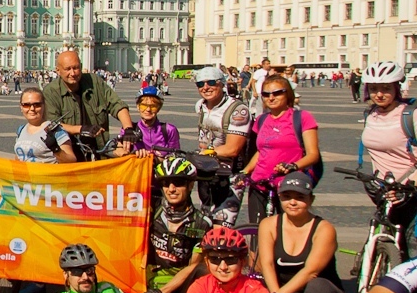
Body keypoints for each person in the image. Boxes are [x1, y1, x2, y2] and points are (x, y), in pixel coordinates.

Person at [358, 60, 417, 257]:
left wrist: (405, 186)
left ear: (397, 88)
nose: (379, 94)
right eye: (374, 89)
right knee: (378, 250)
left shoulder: (414, 115)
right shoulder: (371, 115)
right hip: (386, 193)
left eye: (386, 88)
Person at [255, 171, 345, 293]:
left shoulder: (324, 229)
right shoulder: (269, 225)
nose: (293, 202)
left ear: (311, 200)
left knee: (317, 287)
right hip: (285, 292)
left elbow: (311, 271)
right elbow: (267, 264)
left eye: (300, 197)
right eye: (287, 197)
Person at [143, 154, 212, 293]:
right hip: (145, 283)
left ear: (190, 186)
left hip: (176, 288)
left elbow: (193, 268)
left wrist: (162, 292)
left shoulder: (201, 223)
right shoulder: (150, 210)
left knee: (204, 269)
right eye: (166, 184)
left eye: (178, 183)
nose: (171, 189)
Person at [239, 74, 320, 221]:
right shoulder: (261, 120)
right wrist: (245, 171)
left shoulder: (302, 118)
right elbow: (261, 151)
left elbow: (313, 154)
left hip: (288, 187)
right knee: (258, 232)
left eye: (277, 93)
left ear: (287, 93)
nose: (271, 97)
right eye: (266, 94)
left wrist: (292, 166)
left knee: (287, 231)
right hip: (259, 184)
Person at [42, 50, 133, 156]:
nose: (73, 73)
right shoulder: (51, 92)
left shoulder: (94, 82)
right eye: (68, 69)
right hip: (70, 156)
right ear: (58, 70)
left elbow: (117, 105)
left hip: (99, 152)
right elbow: (52, 124)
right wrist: (81, 129)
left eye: (76, 68)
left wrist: (128, 129)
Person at [191, 65, 249, 217]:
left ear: (222, 84)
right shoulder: (201, 106)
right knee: (206, 224)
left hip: (230, 177)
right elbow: (203, 141)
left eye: (211, 82)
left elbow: (233, 149)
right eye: (200, 84)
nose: (205, 87)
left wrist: (204, 153)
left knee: (221, 230)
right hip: (207, 174)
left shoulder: (238, 110)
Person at [12, 88, 76, 163]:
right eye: (26, 105)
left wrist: (55, 149)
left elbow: (71, 160)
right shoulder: (21, 129)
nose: (32, 108)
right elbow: (18, 158)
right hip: (26, 174)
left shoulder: (54, 130)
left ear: (44, 106)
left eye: (37, 105)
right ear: (21, 107)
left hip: (48, 174)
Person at [128, 85, 180, 153]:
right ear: (138, 106)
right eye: (144, 105)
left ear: (159, 108)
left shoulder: (169, 130)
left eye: (153, 106)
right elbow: (122, 154)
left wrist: (156, 159)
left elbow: (176, 157)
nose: (148, 109)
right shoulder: (130, 129)